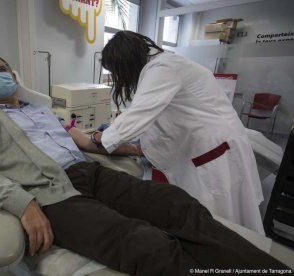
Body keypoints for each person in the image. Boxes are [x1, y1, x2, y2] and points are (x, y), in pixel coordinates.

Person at [0, 54, 288, 275]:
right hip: (51, 195)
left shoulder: (42, 110)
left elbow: (83, 140)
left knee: (179, 205)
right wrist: (22, 202)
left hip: (91, 174)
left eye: (1, 69)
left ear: (14, 76)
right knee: (146, 243)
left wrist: (134, 149)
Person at [94, 30, 264, 234]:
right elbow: (164, 116)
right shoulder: (161, 66)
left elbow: (140, 113)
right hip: (208, 143)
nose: (119, 77)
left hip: (213, 150)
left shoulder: (163, 67)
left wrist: (101, 138)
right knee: (221, 216)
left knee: (222, 220)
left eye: (118, 71)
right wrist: (135, 143)